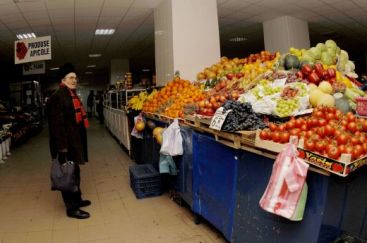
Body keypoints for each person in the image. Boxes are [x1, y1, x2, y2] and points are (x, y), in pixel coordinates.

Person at [47, 63, 91, 219]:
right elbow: (56, 126)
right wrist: (62, 149)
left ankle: (77, 200)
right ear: (63, 80)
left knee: (75, 172)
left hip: (73, 142)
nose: (74, 80)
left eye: (75, 78)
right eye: (71, 78)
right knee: (67, 175)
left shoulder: (71, 94)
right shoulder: (57, 97)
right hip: (64, 145)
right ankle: (72, 209)